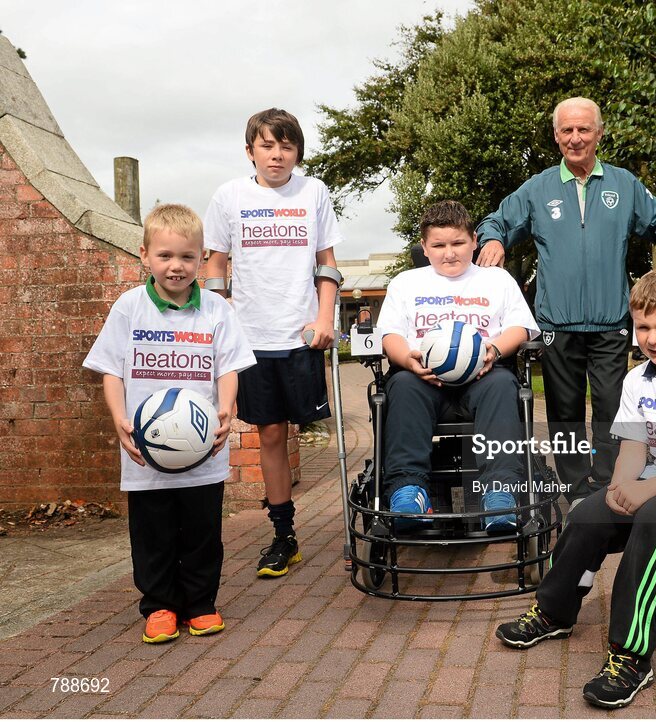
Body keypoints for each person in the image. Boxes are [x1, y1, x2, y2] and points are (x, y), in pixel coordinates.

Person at [495, 269, 656, 709]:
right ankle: (554, 612)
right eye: (643, 327)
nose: (652, 338)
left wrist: (644, 493)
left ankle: (631, 657)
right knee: (587, 514)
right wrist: (621, 488)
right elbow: (634, 448)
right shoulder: (638, 381)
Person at [476, 97, 656, 508]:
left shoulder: (624, 184)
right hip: (557, 324)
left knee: (612, 408)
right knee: (565, 414)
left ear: (599, 133)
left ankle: (610, 487)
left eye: (584, 129)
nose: (575, 138)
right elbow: (495, 221)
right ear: (556, 137)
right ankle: (576, 491)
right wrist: (492, 239)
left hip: (611, 322)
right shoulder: (538, 188)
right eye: (567, 131)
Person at [83, 204, 256, 643]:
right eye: (165, 256)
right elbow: (111, 370)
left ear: (202, 259)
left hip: (203, 448)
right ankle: (159, 605)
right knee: (152, 531)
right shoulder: (129, 307)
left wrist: (227, 409)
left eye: (186, 257)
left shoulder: (216, 309)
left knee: (202, 530)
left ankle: (200, 604)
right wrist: (120, 419)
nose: (176, 266)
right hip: (145, 450)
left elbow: (229, 367)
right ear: (144, 255)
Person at [204, 108, 344, 578]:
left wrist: (325, 318)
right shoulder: (229, 196)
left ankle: (339, 529)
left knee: (303, 430)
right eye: (267, 145)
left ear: (297, 152)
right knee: (269, 433)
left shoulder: (313, 192)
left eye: (286, 146)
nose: (278, 154)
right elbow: (216, 266)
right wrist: (221, 320)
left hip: (301, 334)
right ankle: (284, 535)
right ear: (251, 152)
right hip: (251, 336)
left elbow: (326, 263)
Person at [376, 200, 540, 532]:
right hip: (422, 379)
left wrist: (493, 350)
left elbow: (520, 328)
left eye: (458, 243)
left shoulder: (496, 280)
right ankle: (409, 491)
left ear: (475, 240)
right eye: (438, 245)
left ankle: (500, 493)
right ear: (424, 247)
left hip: (483, 375)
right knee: (402, 386)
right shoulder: (406, 283)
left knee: (502, 385)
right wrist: (407, 359)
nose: (449, 253)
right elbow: (390, 335)